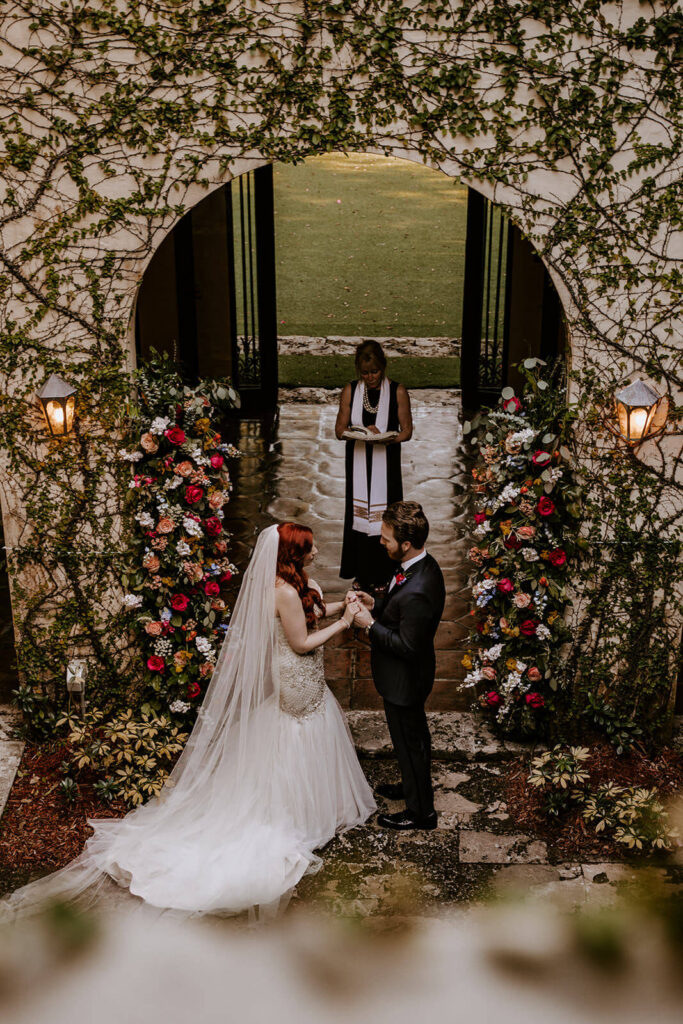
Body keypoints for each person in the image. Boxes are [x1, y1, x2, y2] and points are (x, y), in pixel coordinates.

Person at [2, 523, 375, 921]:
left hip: (308, 677)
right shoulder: (280, 591)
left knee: (308, 731)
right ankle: (295, 813)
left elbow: (309, 612)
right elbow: (300, 642)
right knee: (295, 732)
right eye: (310, 548)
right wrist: (344, 624)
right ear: (293, 554)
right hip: (295, 675)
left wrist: (343, 605)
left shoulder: (295, 584)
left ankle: (315, 807)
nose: (317, 552)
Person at [351, 501, 445, 831]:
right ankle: (410, 787)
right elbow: (400, 611)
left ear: (405, 544)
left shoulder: (419, 589)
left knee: (411, 744)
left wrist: (368, 624)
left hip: (405, 681)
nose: (381, 542)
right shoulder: (420, 564)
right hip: (404, 678)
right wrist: (375, 604)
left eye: (386, 538)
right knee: (408, 742)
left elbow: (406, 645)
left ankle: (422, 814)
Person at [335, 341, 413, 594]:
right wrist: (358, 433)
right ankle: (361, 572)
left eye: (375, 372)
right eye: (365, 373)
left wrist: (388, 438)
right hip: (358, 462)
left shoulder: (398, 391)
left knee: (387, 517)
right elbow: (339, 431)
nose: (370, 378)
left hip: (386, 463)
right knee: (359, 516)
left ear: (383, 367)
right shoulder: (350, 390)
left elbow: (407, 431)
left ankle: (385, 572)